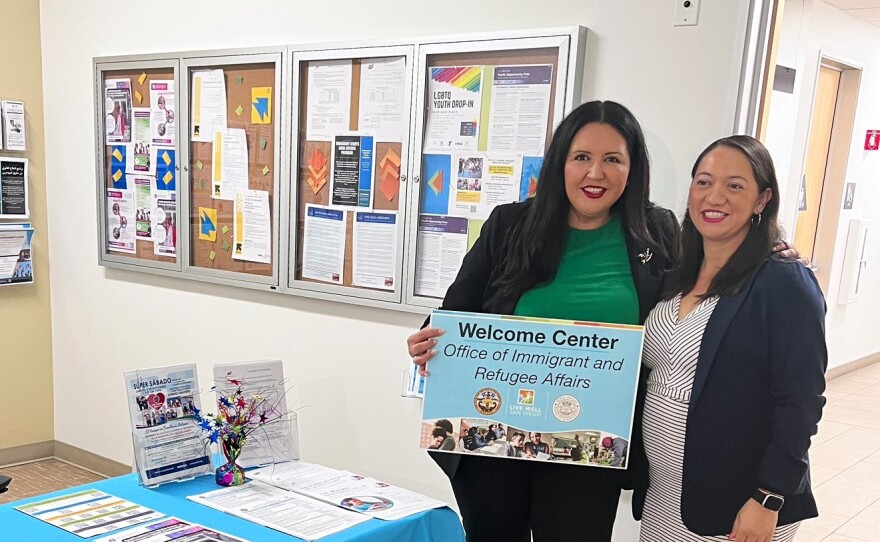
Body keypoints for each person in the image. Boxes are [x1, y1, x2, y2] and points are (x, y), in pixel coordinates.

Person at [407, 100, 680, 541]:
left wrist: (771, 255)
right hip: (494, 437)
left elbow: (701, 293)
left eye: (613, 159)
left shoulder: (656, 232)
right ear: (560, 163)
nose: (596, 173)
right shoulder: (510, 224)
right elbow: (455, 311)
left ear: (633, 169)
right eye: (581, 157)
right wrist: (426, 342)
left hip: (591, 446)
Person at [637, 136, 826, 542]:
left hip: (739, 504)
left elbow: (801, 402)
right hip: (666, 495)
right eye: (704, 182)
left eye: (735, 185)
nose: (715, 196)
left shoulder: (784, 282)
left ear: (762, 200)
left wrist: (768, 497)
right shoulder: (678, 273)